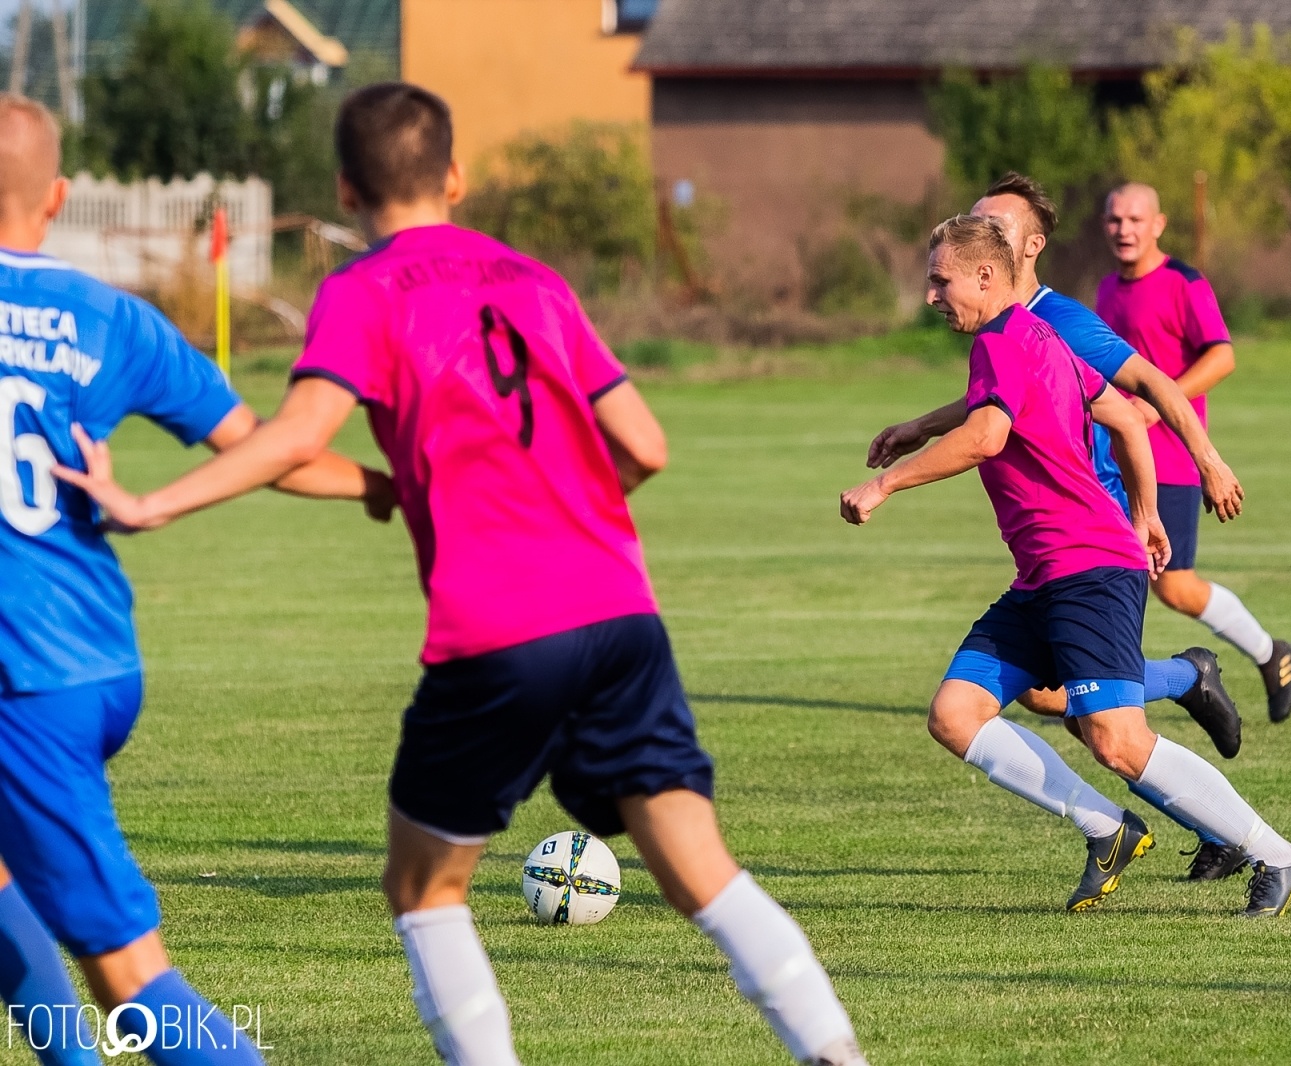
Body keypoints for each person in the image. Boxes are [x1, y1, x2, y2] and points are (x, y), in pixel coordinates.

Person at [57, 83, 870, 1066]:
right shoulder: (534, 277)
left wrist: (153, 501)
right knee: (703, 872)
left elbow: (295, 436)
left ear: (346, 187)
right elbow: (645, 445)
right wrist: (563, 504)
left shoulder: (360, 292)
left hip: (499, 629)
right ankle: (834, 1050)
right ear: (455, 175)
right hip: (621, 614)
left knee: (424, 889)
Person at [0, 93, 386, 1064]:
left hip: (28, 677)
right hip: (89, 651)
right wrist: (383, 485)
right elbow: (267, 449)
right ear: (58, 196)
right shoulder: (107, 317)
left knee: (129, 975)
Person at [840, 214, 1291, 918]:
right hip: (1045, 575)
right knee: (956, 713)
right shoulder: (1037, 338)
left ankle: (1277, 856)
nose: (932, 296)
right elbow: (1124, 419)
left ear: (984, 276)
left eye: (940, 281)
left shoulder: (1006, 341)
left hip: (1088, 568)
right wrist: (1146, 511)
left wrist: (885, 484)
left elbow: (986, 435)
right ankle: (1108, 827)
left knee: (1116, 739)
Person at [865, 173, 1246, 766]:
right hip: (1054, 524)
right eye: (977, 221)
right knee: (1054, 698)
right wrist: (924, 425)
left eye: (996, 226)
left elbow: (1147, 385)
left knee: (1099, 717)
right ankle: (1184, 683)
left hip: (1090, 518)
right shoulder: (1000, 325)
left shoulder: (1060, 321)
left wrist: (1207, 462)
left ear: (1030, 247)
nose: (980, 233)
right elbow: (999, 404)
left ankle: (1207, 775)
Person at [1097, 183, 1291, 724]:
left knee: (1177, 587)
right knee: (1110, 571)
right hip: (1113, 459)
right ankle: (1096, 687)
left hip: (1170, 460)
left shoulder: (1183, 283)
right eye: (1115, 220)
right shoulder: (1105, 290)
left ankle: (1267, 652)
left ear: (1158, 224)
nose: (1125, 229)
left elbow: (1222, 358)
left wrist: (1155, 407)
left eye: (1135, 219)